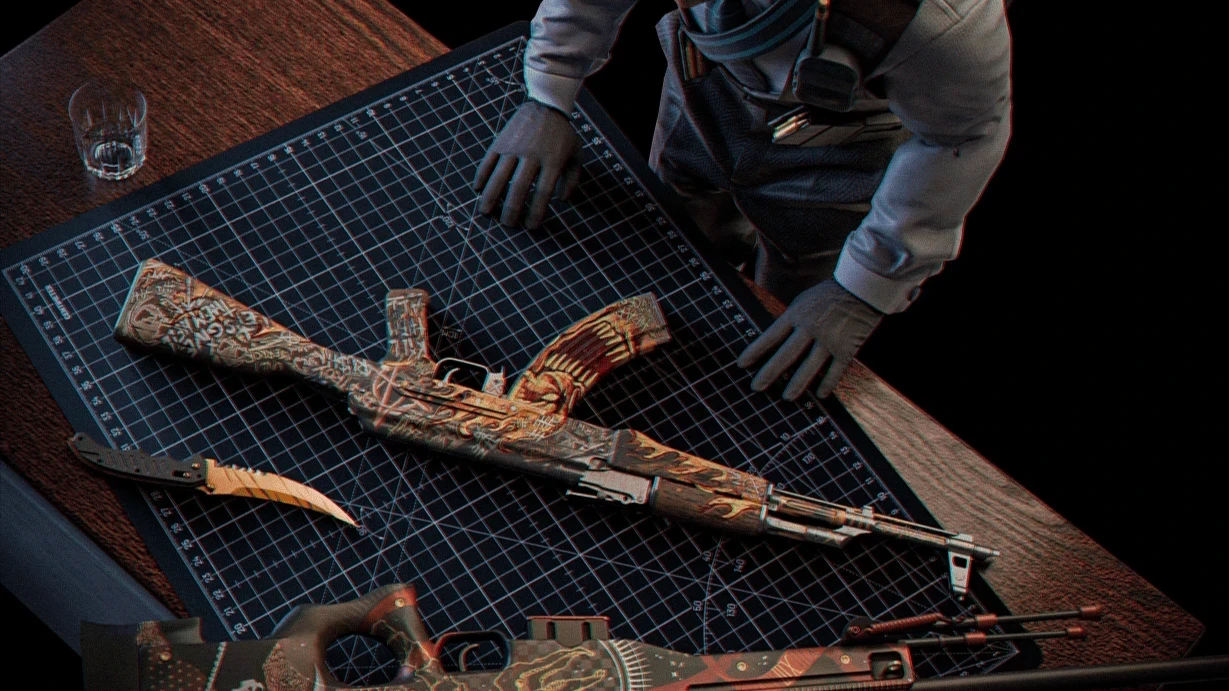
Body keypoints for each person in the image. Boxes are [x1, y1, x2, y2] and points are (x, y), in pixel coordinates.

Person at [473, 0, 1012, 401]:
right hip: (706, 87)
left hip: (841, 149)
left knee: (787, 310)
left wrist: (861, 288)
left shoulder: (942, 19)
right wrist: (550, 89)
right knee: (669, 242)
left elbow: (962, 139)